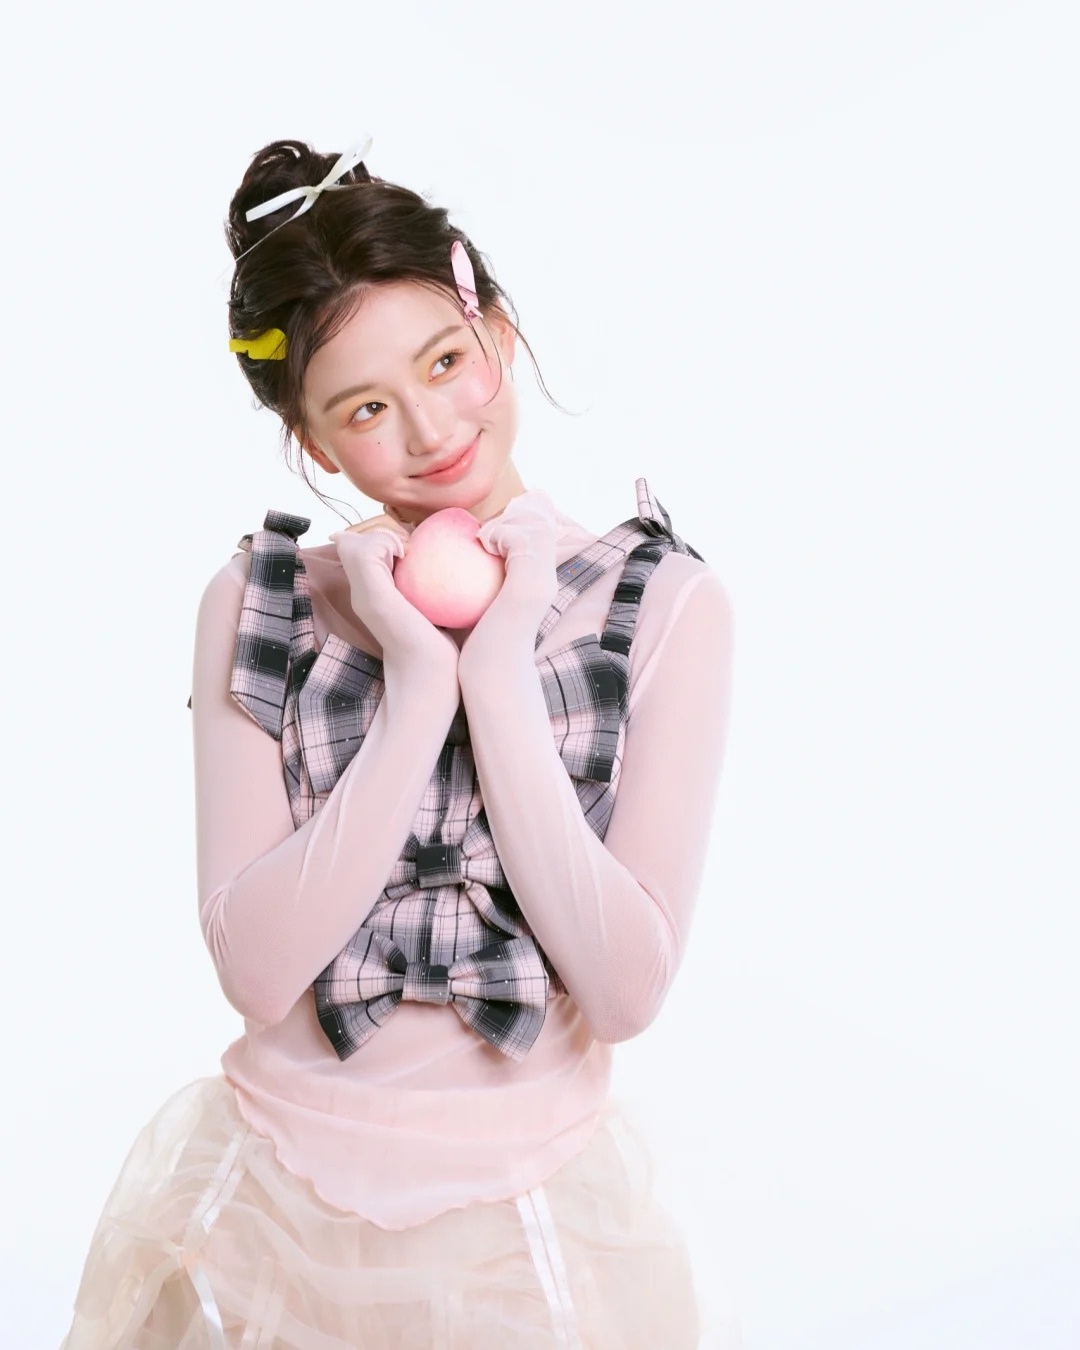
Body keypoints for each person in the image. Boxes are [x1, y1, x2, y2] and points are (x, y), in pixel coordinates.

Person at [61, 136, 736, 1350]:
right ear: (317, 446)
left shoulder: (662, 602)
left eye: (446, 362)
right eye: (367, 409)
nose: (431, 431)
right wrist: (418, 685)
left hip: (528, 1232)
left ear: (497, 336)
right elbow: (255, 970)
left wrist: (501, 672)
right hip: (257, 1227)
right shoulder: (261, 599)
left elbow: (627, 988)